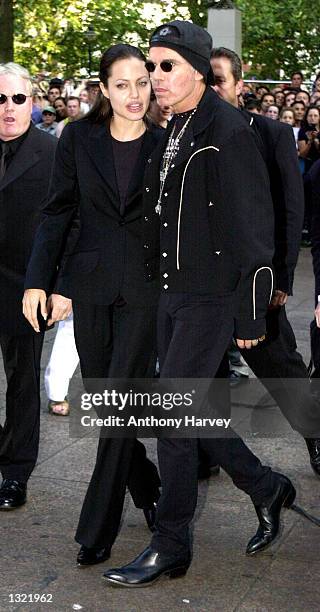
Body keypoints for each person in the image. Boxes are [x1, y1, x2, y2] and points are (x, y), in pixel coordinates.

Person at [102, 20, 296, 588]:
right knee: (190, 412)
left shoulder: (227, 131)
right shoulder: (179, 125)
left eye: (166, 66)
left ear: (196, 69)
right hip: (172, 293)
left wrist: (250, 314)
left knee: (172, 418)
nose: (155, 78)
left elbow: (256, 232)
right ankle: (266, 487)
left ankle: (171, 543)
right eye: (151, 67)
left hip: (212, 298)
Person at [22, 44, 162, 567]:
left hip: (147, 292)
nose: (133, 94)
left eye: (141, 83)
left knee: (118, 401)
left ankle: (96, 527)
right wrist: (41, 281)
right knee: (108, 403)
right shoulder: (78, 138)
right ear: (104, 88)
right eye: (122, 84)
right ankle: (147, 488)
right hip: (92, 286)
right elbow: (58, 212)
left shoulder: (167, 144)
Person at [208, 46, 320, 472]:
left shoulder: (270, 134)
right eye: (207, 79)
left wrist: (282, 279)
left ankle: (315, 434)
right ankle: (208, 452)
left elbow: (292, 212)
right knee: (204, 373)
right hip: (203, 280)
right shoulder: (183, 135)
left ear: (240, 86)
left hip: (257, 279)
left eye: (219, 79)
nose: (212, 87)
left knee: (280, 367)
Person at [0, 62, 60, 510]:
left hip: (27, 288)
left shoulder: (53, 153)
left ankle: (15, 473)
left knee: (23, 383)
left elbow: (68, 223)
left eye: (17, 98)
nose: (8, 108)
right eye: (0, 99)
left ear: (32, 103)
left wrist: (60, 286)